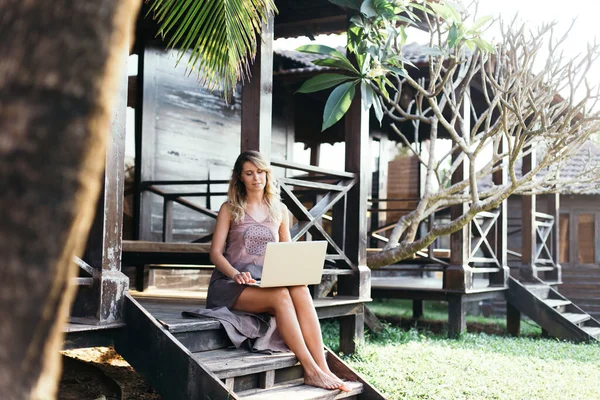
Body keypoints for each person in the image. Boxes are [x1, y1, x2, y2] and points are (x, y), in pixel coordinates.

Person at [207, 150, 349, 392]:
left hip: (265, 280)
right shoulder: (229, 208)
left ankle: (323, 366)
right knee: (281, 296)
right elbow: (215, 254)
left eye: (260, 172)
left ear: (267, 174)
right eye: (249, 173)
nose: (256, 178)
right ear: (240, 177)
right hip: (231, 284)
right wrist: (235, 274)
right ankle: (311, 370)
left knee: (300, 289)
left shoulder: (279, 209)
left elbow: (286, 252)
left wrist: (298, 272)